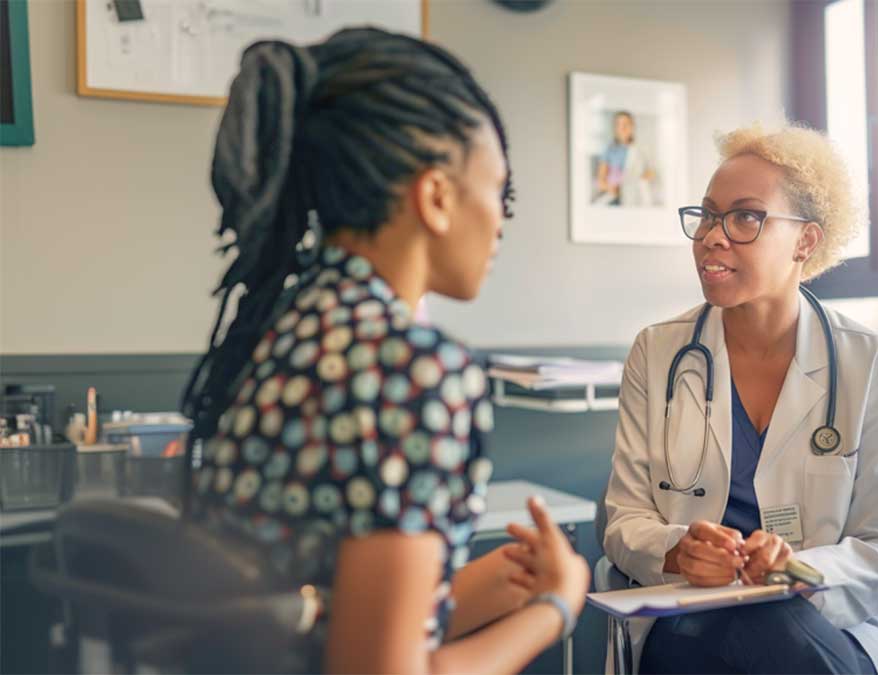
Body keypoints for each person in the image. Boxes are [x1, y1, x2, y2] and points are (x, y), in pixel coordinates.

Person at [181, 28, 589, 674]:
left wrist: (502, 584)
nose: (501, 220)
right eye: (496, 188)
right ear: (435, 196)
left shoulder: (282, 328)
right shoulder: (413, 370)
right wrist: (557, 608)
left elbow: (330, 618)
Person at [602, 124, 878, 674]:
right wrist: (678, 550)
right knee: (738, 625)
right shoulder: (657, 353)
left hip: (831, 621)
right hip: (689, 614)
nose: (712, 236)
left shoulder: (867, 363)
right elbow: (625, 520)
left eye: (745, 217)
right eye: (708, 215)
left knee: (769, 618)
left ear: (805, 242)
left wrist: (796, 570)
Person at [595, 111, 656, 206]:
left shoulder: (641, 149)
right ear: (615, 128)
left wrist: (643, 178)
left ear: (632, 126)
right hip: (614, 198)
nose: (622, 128)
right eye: (619, 124)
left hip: (636, 198)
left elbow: (651, 173)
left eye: (626, 124)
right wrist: (610, 188)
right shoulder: (609, 150)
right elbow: (600, 181)